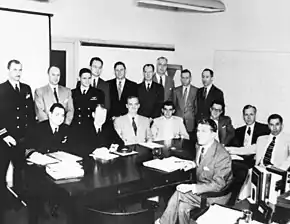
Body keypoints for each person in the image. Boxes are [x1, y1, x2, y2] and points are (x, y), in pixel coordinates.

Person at [156, 118, 233, 224]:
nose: (199, 134)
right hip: (203, 190)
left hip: (216, 196)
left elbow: (219, 185)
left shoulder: (222, 156)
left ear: (213, 134)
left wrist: (193, 188)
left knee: (180, 193)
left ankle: (162, 222)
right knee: (182, 207)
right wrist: (193, 163)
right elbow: (203, 161)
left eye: (204, 131)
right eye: (198, 131)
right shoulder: (200, 145)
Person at [0, 59, 35, 220]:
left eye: (20, 69)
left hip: (22, 139)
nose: (18, 73)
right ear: (8, 70)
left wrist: (30, 135)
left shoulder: (26, 88)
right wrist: (4, 134)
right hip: (6, 140)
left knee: (21, 172)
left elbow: (30, 114)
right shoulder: (2, 89)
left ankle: (19, 200)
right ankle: (3, 204)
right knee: (2, 173)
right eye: (15, 70)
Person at [173, 69, 198, 134]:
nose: (185, 80)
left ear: (190, 78)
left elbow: (196, 108)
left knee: (189, 142)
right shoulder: (176, 90)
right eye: (183, 78)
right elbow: (174, 106)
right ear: (180, 78)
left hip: (191, 122)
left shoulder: (196, 91)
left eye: (187, 78)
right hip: (178, 122)